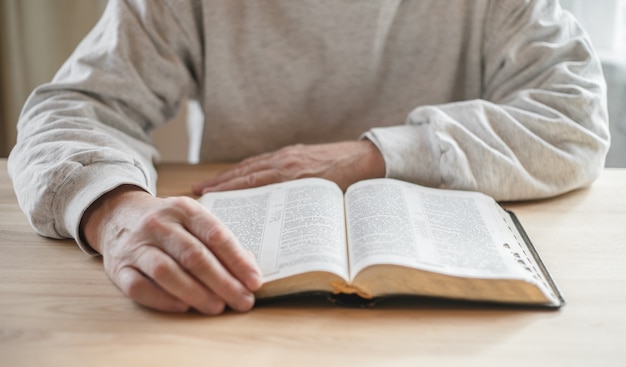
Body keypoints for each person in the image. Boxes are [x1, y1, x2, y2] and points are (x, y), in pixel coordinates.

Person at [8, 0, 610, 314]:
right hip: (227, 298)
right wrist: (116, 213)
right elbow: (69, 109)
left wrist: (371, 156)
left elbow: (575, 120)